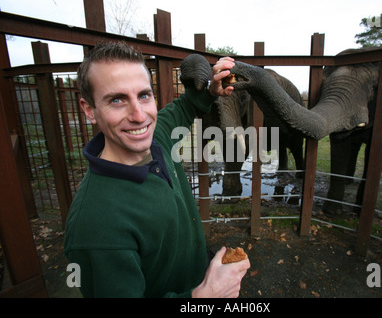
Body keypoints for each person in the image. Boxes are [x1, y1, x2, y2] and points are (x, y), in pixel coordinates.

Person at [64, 41, 250, 298]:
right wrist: (203, 296)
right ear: (89, 110)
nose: (139, 116)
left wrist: (211, 90)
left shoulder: (157, 138)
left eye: (143, 95)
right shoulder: (93, 228)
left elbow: (184, 108)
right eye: (117, 100)